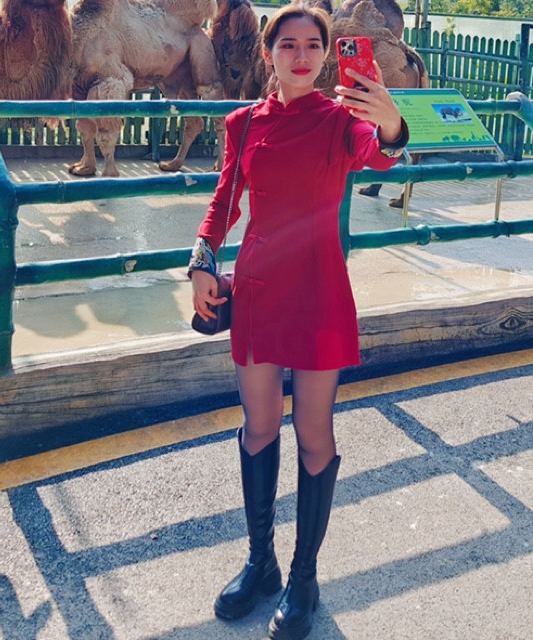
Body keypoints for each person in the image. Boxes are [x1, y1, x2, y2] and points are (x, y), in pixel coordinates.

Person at [188, 3, 408, 639]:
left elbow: (382, 155)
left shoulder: (343, 121)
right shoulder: (241, 124)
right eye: (289, 45)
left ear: (327, 53)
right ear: (269, 53)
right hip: (257, 288)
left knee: (315, 434)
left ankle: (303, 578)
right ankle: (260, 562)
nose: (302, 55)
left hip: (318, 290)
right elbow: (223, 202)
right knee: (259, 427)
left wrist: (391, 121)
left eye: (314, 45)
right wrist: (202, 260)